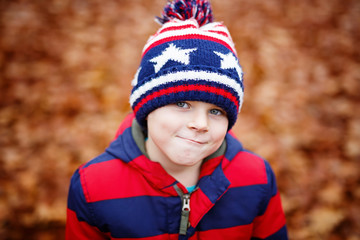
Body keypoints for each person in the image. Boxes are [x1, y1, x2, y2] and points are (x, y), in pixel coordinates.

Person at [65, 0, 288, 239]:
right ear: (146, 108)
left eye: (216, 111)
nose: (200, 124)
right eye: (182, 104)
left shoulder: (255, 178)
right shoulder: (94, 187)